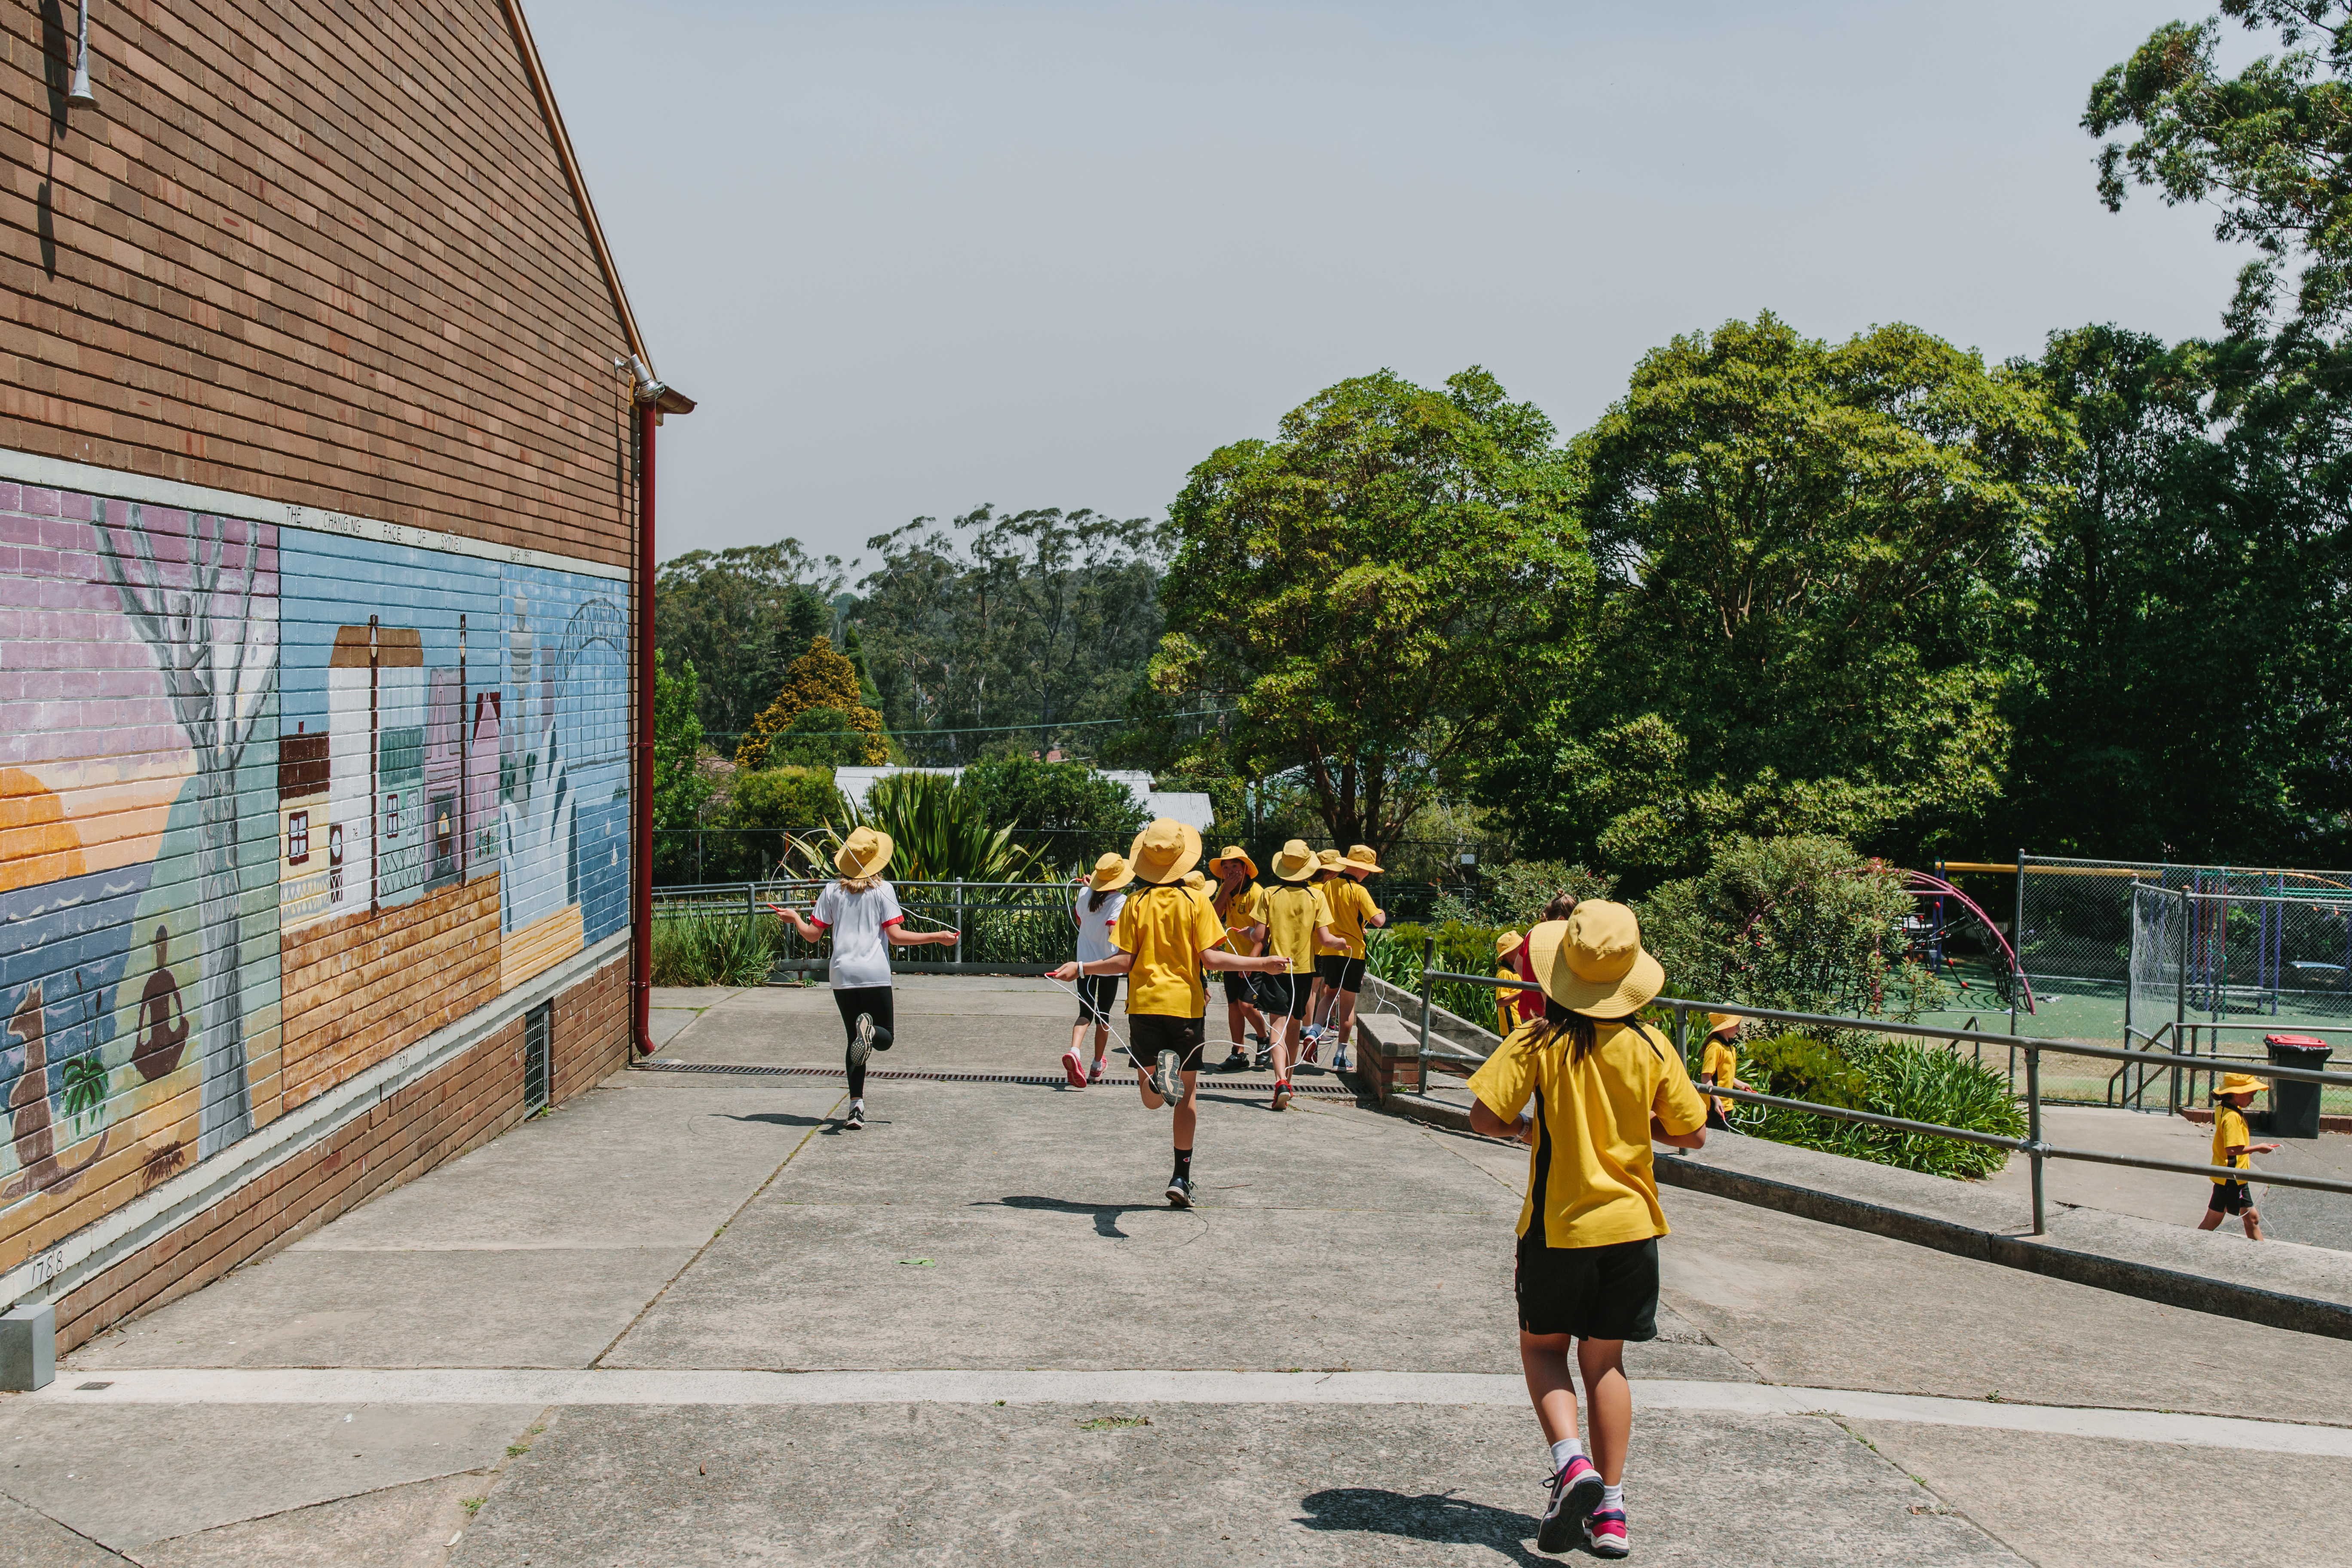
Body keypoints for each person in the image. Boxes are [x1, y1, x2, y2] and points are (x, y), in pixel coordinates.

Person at [1466, 903, 1708, 1560]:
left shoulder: (1536, 1041)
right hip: (1633, 1233)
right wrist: (1638, 1129)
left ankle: (1572, 1464)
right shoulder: (1654, 1045)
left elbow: (1484, 1117)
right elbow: (1691, 1133)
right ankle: (1612, 1514)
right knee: (1606, 1363)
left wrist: (1529, 1129)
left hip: (1558, 1227)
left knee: (1543, 1350)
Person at [1048, 819, 1289, 1206]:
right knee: (1189, 1094)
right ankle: (1181, 1176)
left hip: (1145, 1006)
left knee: (1152, 1100)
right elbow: (1210, 958)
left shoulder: (1137, 903)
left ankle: (1158, 1081)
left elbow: (1123, 961)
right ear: (1182, 859)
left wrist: (1082, 967)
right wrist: (1263, 964)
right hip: (1186, 1008)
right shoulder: (1197, 903)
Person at [771, 825, 959, 1130]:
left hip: (842, 975)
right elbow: (896, 938)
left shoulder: (831, 891)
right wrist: (938, 936)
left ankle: (855, 1107)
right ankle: (870, 1034)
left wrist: (794, 918)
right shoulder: (883, 890)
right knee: (884, 1038)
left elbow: (812, 935)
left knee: (852, 1041)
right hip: (874, 973)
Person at [1256, 840, 1344, 1110]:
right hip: (1305, 971)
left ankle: (1280, 1080)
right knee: (1295, 1026)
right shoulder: (1317, 897)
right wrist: (1341, 943)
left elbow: (1260, 936)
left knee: (1277, 1026)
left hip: (1275, 967)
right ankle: (1289, 1084)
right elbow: (1326, 939)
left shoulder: (1269, 894)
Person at [1312, 844, 1387, 1072]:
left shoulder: (1328, 886)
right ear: (1362, 869)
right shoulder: (1359, 890)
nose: (1369, 874)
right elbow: (1378, 921)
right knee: (1347, 1006)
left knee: (1328, 995)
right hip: (1353, 953)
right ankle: (1341, 1057)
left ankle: (1314, 1032)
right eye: (1369, 870)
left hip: (1330, 951)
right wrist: (1382, 913)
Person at [1063, 852, 1133, 1087]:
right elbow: (1113, 930)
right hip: (1107, 966)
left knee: (1085, 1013)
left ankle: (1075, 1052)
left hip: (1083, 965)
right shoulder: (1120, 900)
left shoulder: (1084, 893)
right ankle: (1096, 1065)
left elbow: (1082, 920)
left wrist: (1089, 889)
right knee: (1104, 1017)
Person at [1207, 846, 1272, 1069]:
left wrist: (1253, 963)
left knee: (1247, 1005)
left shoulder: (1258, 893)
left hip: (1254, 958)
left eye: (1235, 866)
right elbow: (1213, 917)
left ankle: (1264, 1039)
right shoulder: (1226, 890)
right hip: (1232, 959)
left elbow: (1263, 936)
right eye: (1225, 867)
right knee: (1233, 1005)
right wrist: (1226, 889)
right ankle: (1238, 1052)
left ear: (1245, 868)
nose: (1229, 871)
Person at [2198, 1071, 2282, 1240]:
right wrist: (2259, 1148)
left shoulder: (2224, 1109)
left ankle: (2260, 1256)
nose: (2252, 1099)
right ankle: (2189, 1245)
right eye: (2250, 1095)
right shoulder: (2233, 1117)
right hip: (2231, 1177)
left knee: (2252, 1218)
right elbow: (2232, 1150)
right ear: (2236, 1094)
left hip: (2236, 1176)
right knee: (2212, 1221)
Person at [1697, 1013, 1753, 1131]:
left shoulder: (1731, 1048)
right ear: (1726, 1026)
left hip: (1726, 1104)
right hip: (1714, 1105)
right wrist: (1717, 1100)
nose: (1739, 1029)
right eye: (1736, 1025)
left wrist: (1741, 1085)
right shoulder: (1715, 1047)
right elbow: (1706, 1078)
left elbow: (1725, 1075)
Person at [1493, 931, 1526, 1039]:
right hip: (1512, 1025)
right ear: (1508, 952)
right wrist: (1525, 993)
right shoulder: (1505, 973)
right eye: (1518, 949)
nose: (1521, 951)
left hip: (1521, 1023)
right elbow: (1501, 1002)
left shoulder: (1516, 971)